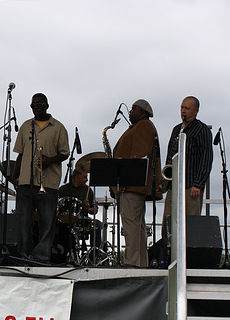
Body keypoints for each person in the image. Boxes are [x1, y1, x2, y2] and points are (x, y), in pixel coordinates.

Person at [12, 93, 69, 263]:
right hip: (25, 182)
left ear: (47, 105)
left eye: (39, 105)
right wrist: (15, 177)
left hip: (48, 183)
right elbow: (20, 154)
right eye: (33, 105)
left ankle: (41, 257)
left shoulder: (58, 127)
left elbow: (65, 153)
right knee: (23, 223)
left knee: (47, 223)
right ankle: (24, 256)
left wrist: (50, 160)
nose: (36, 108)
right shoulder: (25, 126)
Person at [112, 99, 162, 268]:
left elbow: (139, 156)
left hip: (131, 185)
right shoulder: (139, 127)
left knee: (131, 223)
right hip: (133, 184)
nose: (130, 111)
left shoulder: (144, 126)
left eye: (133, 109)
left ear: (142, 112)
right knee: (137, 224)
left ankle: (132, 262)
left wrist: (125, 179)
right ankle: (140, 262)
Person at [162, 95, 213, 217]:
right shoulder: (176, 129)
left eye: (187, 108)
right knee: (169, 223)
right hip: (173, 186)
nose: (183, 111)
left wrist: (198, 184)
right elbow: (170, 156)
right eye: (182, 107)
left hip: (191, 186)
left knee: (190, 223)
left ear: (196, 111)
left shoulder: (202, 130)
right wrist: (163, 182)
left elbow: (206, 158)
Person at [58, 168, 102, 249]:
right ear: (76, 178)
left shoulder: (88, 190)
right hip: (64, 221)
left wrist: (88, 209)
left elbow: (95, 210)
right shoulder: (63, 189)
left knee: (97, 224)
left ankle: (94, 255)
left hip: (82, 221)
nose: (87, 180)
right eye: (85, 177)